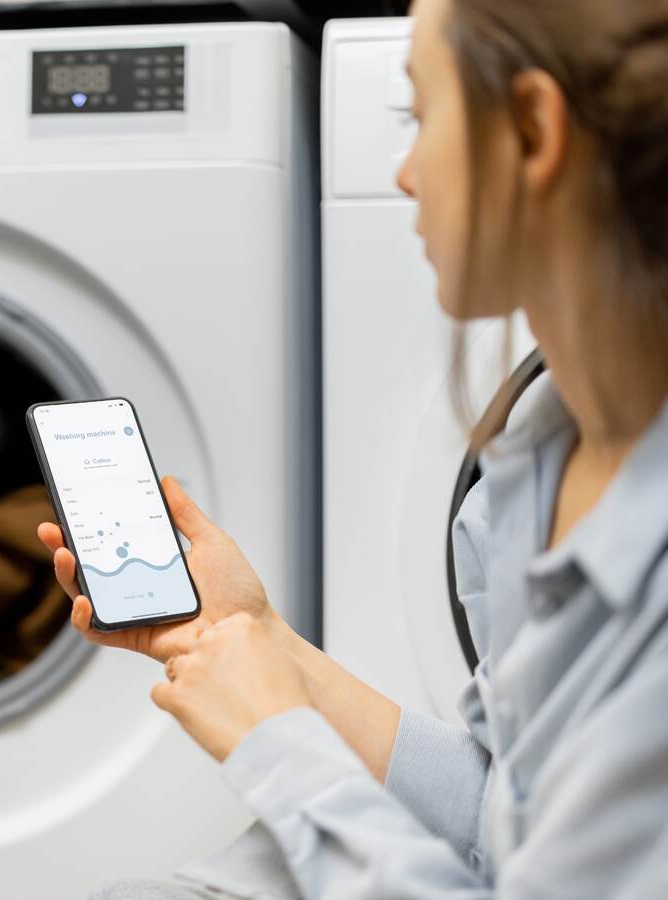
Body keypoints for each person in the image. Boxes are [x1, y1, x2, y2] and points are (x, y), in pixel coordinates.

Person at [37, 0, 668, 896]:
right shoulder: (527, 476)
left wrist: (277, 742)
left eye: (418, 117)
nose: (406, 174)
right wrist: (255, 643)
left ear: (532, 131)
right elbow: (509, 821)